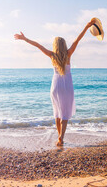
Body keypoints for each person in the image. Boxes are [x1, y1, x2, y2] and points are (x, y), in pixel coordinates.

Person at [14, 18, 96, 146]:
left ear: (55, 46)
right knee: (65, 114)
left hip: (56, 86)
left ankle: (59, 137)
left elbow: (38, 45)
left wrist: (25, 39)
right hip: (67, 86)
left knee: (57, 113)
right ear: (63, 44)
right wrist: (86, 27)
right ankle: (61, 137)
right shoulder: (69, 54)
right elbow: (77, 39)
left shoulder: (52, 55)